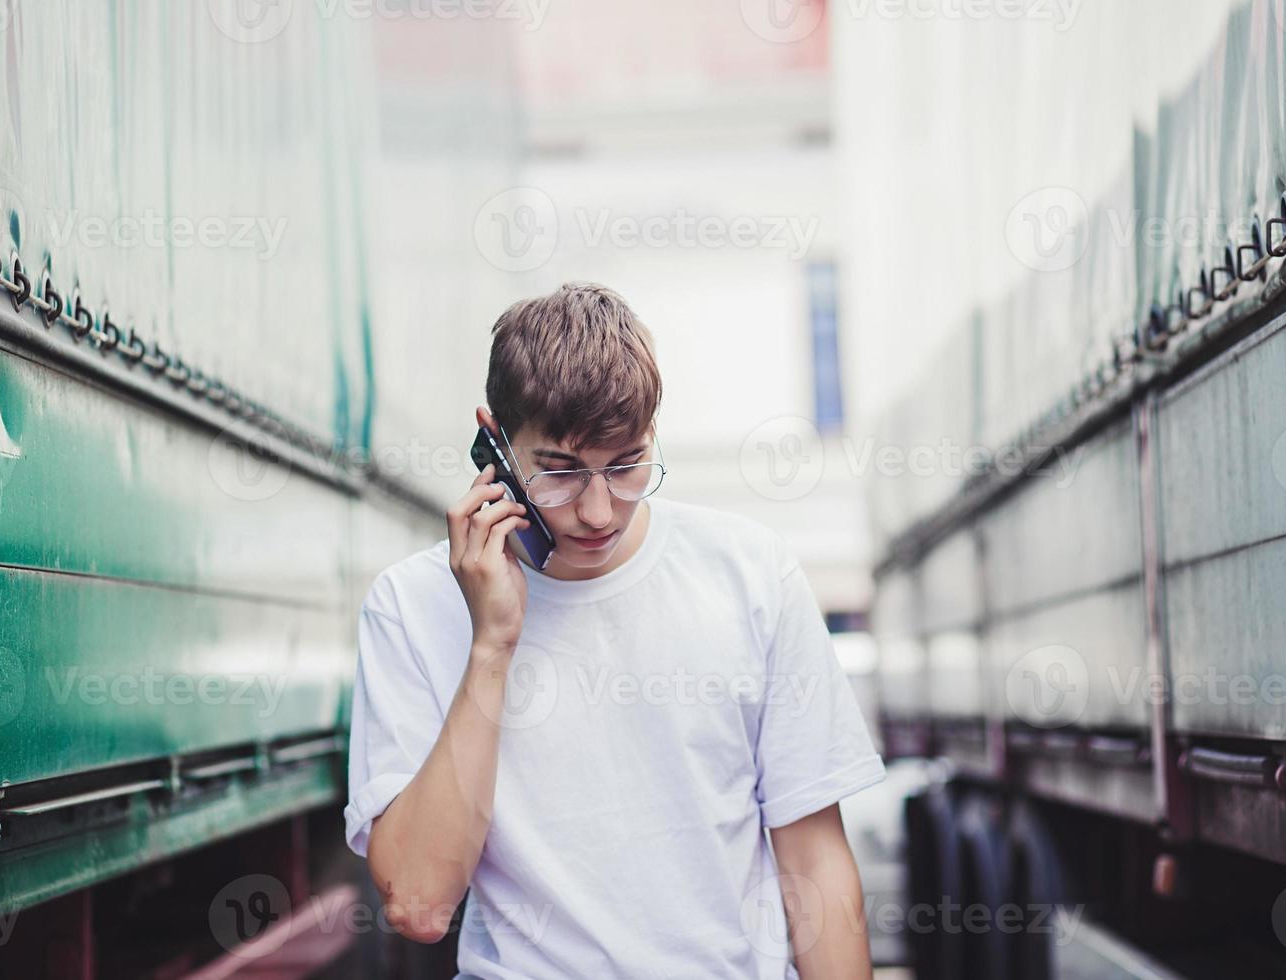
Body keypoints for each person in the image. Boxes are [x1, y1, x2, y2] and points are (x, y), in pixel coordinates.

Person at [344, 282, 885, 979]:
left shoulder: (751, 574)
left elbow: (814, 865)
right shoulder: (412, 607)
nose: (600, 511)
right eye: (560, 472)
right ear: (495, 442)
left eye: (627, 465)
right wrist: (492, 645)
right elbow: (419, 903)